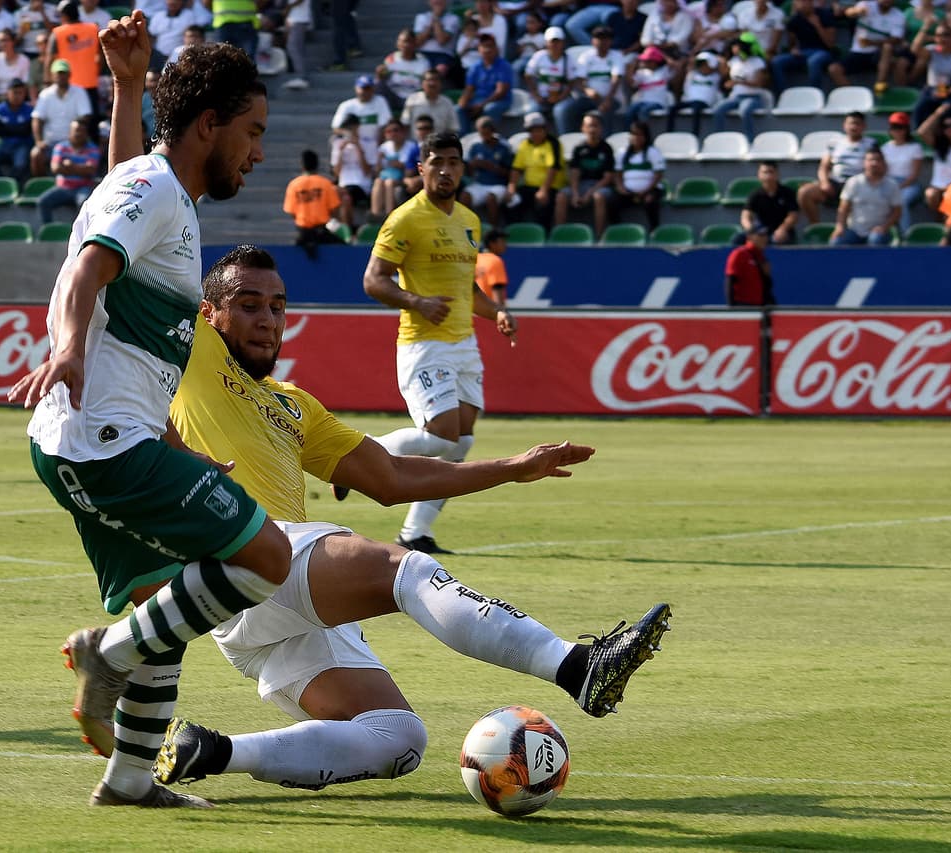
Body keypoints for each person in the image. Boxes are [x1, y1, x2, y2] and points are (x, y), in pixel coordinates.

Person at [136, 244, 672, 793]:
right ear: (208, 313)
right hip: (243, 551)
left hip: (264, 608)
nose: (267, 320)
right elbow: (130, 219)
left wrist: (513, 467)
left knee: (399, 735)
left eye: (277, 306)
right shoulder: (191, 351)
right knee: (407, 572)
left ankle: (213, 750)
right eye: (248, 305)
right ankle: (577, 668)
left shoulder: (293, 403)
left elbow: (392, 477)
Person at [7, 17, 285, 810]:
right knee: (266, 558)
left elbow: (118, 198)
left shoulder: (162, 195)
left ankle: (130, 779)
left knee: (162, 594)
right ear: (208, 125)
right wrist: (68, 348)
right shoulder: (157, 189)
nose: (259, 151)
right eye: (252, 131)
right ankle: (108, 654)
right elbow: (85, 270)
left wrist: (129, 87)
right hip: (102, 442)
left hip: (96, 439)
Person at [358, 130, 517, 554]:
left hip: (464, 344)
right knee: (444, 436)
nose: (446, 170)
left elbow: (468, 291)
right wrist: (416, 301)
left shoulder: (469, 221)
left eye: (454, 162)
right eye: (437, 162)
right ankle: (357, 453)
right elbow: (373, 280)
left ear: (463, 168)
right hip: (423, 343)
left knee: (462, 442)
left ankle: (415, 534)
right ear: (421, 168)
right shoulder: (406, 218)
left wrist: (497, 312)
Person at [798, 111, 875, 225]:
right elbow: (824, 166)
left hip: (858, 185)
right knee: (805, 192)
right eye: (850, 123)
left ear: (864, 126)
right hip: (835, 184)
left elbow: (873, 167)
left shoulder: (871, 144)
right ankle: (816, 227)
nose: (853, 127)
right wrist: (824, 182)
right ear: (844, 125)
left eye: (857, 124)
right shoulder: (834, 143)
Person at [554, 111, 615, 237]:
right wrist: (576, 194)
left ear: (601, 128)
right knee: (561, 196)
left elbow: (608, 177)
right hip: (580, 185)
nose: (592, 129)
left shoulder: (606, 148)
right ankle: (559, 235)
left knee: (599, 197)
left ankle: (600, 237)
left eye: (595, 126)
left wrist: (589, 194)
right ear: (583, 128)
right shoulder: (579, 148)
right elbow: (574, 174)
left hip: (599, 186)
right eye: (589, 126)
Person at [504, 111, 566, 230]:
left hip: (551, 187)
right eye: (532, 130)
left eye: (538, 130)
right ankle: (513, 235)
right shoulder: (525, 144)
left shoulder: (553, 143)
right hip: (529, 187)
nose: (535, 133)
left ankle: (543, 236)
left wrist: (544, 190)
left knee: (542, 205)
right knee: (510, 203)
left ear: (545, 129)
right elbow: (516, 168)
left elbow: (553, 168)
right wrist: (511, 188)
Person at [829, 0, 907, 94]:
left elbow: (896, 39)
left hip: (879, 55)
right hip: (859, 53)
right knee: (834, 69)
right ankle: (856, 98)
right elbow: (849, 13)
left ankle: (879, 85)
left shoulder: (898, 15)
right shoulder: (866, 5)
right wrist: (856, 11)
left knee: (888, 47)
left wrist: (871, 43)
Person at [32, 58, 93, 177]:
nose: (61, 76)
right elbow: (37, 119)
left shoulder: (79, 92)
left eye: (63, 73)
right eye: (58, 73)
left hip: (73, 143)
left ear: (69, 74)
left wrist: (75, 137)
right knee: (36, 154)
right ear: (52, 75)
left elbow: (85, 117)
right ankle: (41, 184)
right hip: (50, 142)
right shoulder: (45, 94)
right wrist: (39, 141)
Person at [831, 148, 902, 245]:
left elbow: (897, 212)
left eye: (877, 160)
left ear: (883, 163)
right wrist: (840, 227)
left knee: (876, 240)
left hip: (880, 231)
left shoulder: (892, 185)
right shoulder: (853, 182)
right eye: (870, 160)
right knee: (837, 242)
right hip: (855, 231)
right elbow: (843, 208)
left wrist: (884, 227)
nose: (874, 163)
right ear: (864, 163)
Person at [561, 25, 623, 135]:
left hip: (610, 99)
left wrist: (607, 100)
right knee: (564, 109)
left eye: (605, 38)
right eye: (599, 38)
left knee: (603, 113)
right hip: (588, 99)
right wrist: (587, 90)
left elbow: (616, 80)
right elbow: (579, 80)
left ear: (610, 41)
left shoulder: (617, 56)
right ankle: (568, 139)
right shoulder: (586, 56)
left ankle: (604, 144)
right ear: (593, 40)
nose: (602, 42)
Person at [283, 149, 343, 260]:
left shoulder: (294, 185)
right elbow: (334, 209)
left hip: (303, 234)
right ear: (317, 165)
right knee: (343, 250)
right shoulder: (325, 183)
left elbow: (291, 211)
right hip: (321, 233)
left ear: (302, 164)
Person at [909, 22, 951, 128]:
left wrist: (950, 91)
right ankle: (919, 136)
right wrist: (925, 27)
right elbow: (915, 48)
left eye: (946, 35)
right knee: (920, 109)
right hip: (932, 90)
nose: (942, 38)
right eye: (938, 35)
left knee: (949, 111)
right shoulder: (931, 50)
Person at [37, 118, 100, 223]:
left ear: (86, 133)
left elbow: (91, 171)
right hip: (63, 188)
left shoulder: (93, 149)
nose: (78, 133)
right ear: (70, 132)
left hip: (83, 188)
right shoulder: (60, 147)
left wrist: (70, 166)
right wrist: (81, 168)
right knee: (43, 202)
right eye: (76, 130)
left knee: (83, 204)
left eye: (81, 130)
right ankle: (48, 231)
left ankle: (80, 234)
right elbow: (55, 168)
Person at [769, 0, 838, 92]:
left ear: (811, 2)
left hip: (823, 52)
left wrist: (817, 25)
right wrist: (793, 49)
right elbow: (792, 44)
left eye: (804, 1)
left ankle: (815, 93)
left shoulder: (825, 15)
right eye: (798, 2)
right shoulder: (795, 20)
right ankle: (783, 95)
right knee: (776, 62)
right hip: (802, 52)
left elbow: (830, 44)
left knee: (813, 61)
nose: (802, 5)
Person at [460, 115, 514, 226]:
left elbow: (510, 173)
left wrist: (492, 167)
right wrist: (472, 165)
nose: (484, 136)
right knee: (464, 196)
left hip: (498, 185)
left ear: (493, 131)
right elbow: (469, 173)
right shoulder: (476, 147)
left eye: (486, 132)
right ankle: (465, 228)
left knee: (490, 198)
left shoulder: (503, 148)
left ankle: (493, 230)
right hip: (479, 184)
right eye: (481, 133)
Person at [711, 36, 768, 141]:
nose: (734, 49)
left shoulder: (757, 61)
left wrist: (739, 82)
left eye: (736, 46)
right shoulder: (733, 61)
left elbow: (759, 83)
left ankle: (749, 140)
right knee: (718, 110)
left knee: (745, 110)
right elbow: (724, 74)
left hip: (753, 97)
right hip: (736, 97)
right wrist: (722, 62)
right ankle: (718, 139)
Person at [611, 119, 665, 229]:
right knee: (612, 203)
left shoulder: (653, 152)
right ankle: (617, 231)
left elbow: (658, 175)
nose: (636, 137)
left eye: (640, 134)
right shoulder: (622, 153)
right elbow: (617, 174)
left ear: (646, 136)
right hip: (628, 191)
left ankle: (654, 231)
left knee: (650, 201)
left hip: (650, 190)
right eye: (633, 134)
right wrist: (621, 188)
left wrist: (645, 190)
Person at [457, 33, 514, 134]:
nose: (487, 49)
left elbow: (500, 92)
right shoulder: (475, 67)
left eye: (490, 46)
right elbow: (469, 88)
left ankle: (489, 138)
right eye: (484, 46)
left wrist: (481, 105)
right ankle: (464, 139)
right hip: (478, 100)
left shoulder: (504, 66)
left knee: (490, 109)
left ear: (496, 48)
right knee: (458, 109)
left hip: (500, 100)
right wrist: (463, 101)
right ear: (479, 49)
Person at [880, 111, 925, 231]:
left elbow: (914, 175)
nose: (898, 131)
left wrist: (898, 187)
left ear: (907, 129)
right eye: (894, 127)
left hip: (909, 185)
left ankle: (905, 234)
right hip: (889, 183)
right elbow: (883, 172)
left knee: (901, 201)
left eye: (901, 127)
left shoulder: (915, 148)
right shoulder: (884, 148)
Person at [0, 79, 35, 181]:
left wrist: (7, 128)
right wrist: (18, 129)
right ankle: (0, 184)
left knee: (20, 165)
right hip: (4, 144)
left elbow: (26, 131)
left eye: (20, 93)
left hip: (22, 145)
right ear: (8, 93)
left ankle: (11, 184)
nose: (17, 96)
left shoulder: (29, 109)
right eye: (14, 92)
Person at [742, 160, 798, 245]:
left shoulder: (787, 193)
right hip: (761, 229)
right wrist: (751, 231)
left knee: (780, 240)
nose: (768, 175)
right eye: (764, 172)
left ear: (777, 174)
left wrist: (783, 229)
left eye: (771, 172)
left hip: (782, 230)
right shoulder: (755, 195)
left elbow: (793, 215)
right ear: (759, 175)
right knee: (738, 239)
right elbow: (745, 216)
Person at [377, 28, 430, 114]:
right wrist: (379, 74)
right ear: (398, 44)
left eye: (408, 41)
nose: (405, 45)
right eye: (402, 41)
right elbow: (382, 79)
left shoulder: (423, 61)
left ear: (415, 43)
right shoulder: (391, 59)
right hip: (394, 95)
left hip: (414, 96)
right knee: (378, 84)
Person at [669, 51, 721, 137]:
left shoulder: (716, 76)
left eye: (705, 64)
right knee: (672, 109)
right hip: (690, 102)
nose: (702, 67)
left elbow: (723, 67)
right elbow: (689, 67)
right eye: (700, 64)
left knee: (696, 109)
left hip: (703, 103)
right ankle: (669, 134)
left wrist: (714, 59)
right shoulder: (692, 74)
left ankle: (695, 136)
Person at [724, 222, 775, 306]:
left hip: (759, 306)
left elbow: (766, 287)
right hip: (743, 307)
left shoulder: (761, 257)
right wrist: (732, 308)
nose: (764, 238)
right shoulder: (739, 254)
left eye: (766, 235)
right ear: (750, 236)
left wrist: (767, 275)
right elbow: (730, 281)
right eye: (760, 235)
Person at [413, 0, 461, 87]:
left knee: (438, 72)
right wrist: (434, 26)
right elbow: (417, 42)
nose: (438, 1)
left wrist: (435, 18)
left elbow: (441, 40)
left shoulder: (453, 19)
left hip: (443, 56)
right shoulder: (421, 17)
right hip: (422, 54)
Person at [400, 69, 460, 136]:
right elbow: (405, 124)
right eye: (429, 80)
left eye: (436, 80)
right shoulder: (412, 99)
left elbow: (453, 128)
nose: (432, 83)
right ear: (422, 83)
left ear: (441, 83)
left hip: (439, 144)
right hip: (416, 144)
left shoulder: (447, 102)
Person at [474, 228, 509, 307]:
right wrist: (501, 312)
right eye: (502, 241)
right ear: (492, 243)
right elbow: (497, 288)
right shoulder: (496, 261)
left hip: (474, 309)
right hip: (489, 311)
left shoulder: (476, 258)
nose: (505, 244)